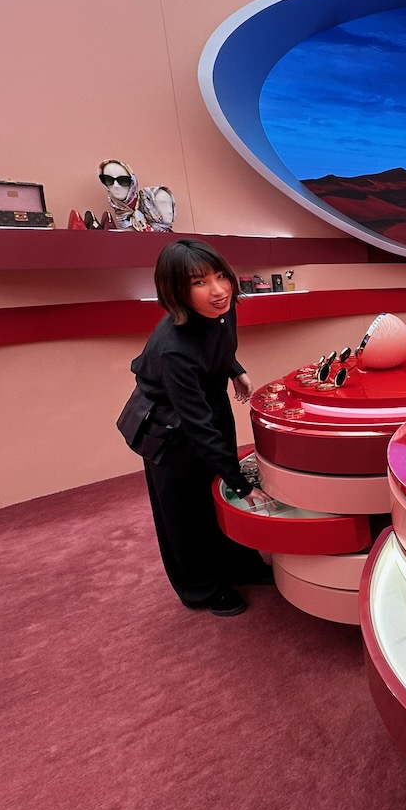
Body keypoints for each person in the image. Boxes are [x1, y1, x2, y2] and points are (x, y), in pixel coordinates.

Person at [125, 238, 273, 616]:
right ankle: (202, 587)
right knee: (187, 509)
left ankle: (239, 565)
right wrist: (242, 484)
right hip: (168, 428)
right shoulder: (173, 348)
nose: (219, 290)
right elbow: (196, 425)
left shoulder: (222, 308)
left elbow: (219, 345)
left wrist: (235, 370)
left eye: (220, 276)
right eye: (199, 282)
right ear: (176, 290)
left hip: (207, 401)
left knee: (218, 488)